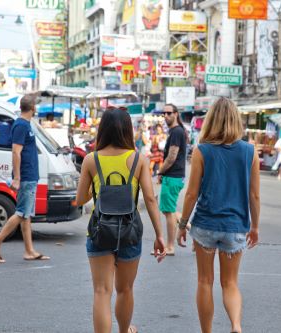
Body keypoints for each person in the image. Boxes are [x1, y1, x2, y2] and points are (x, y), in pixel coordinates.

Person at [76, 108, 166, 333]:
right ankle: (124, 330)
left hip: (99, 231)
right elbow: (151, 200)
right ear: (128, 130)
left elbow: (80, 199)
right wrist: (160, 235)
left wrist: (98, 189)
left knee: (101, 291)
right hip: (130, 232)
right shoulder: (139, 159)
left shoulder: (91, 160)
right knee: (125, 289)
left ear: (102, 130)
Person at [176, 97, 260, 333]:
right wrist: (255, 227)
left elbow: (192, 194)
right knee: (230, 283)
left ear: (210, 120)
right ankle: (235, 325)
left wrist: (182, 224)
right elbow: (254, 195)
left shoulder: (202, 150)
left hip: (205, 225)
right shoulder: (250, 152)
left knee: (205, 281)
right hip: (235, 226)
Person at [0, 94, 50, 263]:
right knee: (21, 213)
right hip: (26, 176)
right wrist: (17, 178)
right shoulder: (21, 125)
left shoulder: (25, 124)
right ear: (33, 108)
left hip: (29, 175)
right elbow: (16, 151)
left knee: (26, 215)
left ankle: (29, 251)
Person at [156, 104, 187, 256]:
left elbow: (172, 156)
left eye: (169, 113)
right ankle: (190, 228)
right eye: (164, 113)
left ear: (176, 113)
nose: (166, 116)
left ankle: (170, 246)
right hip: (174, 176)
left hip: (173, 176)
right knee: (171, 209)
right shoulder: (176, 131)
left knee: (168, 212)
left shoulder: (176, 132)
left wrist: (160, 172)